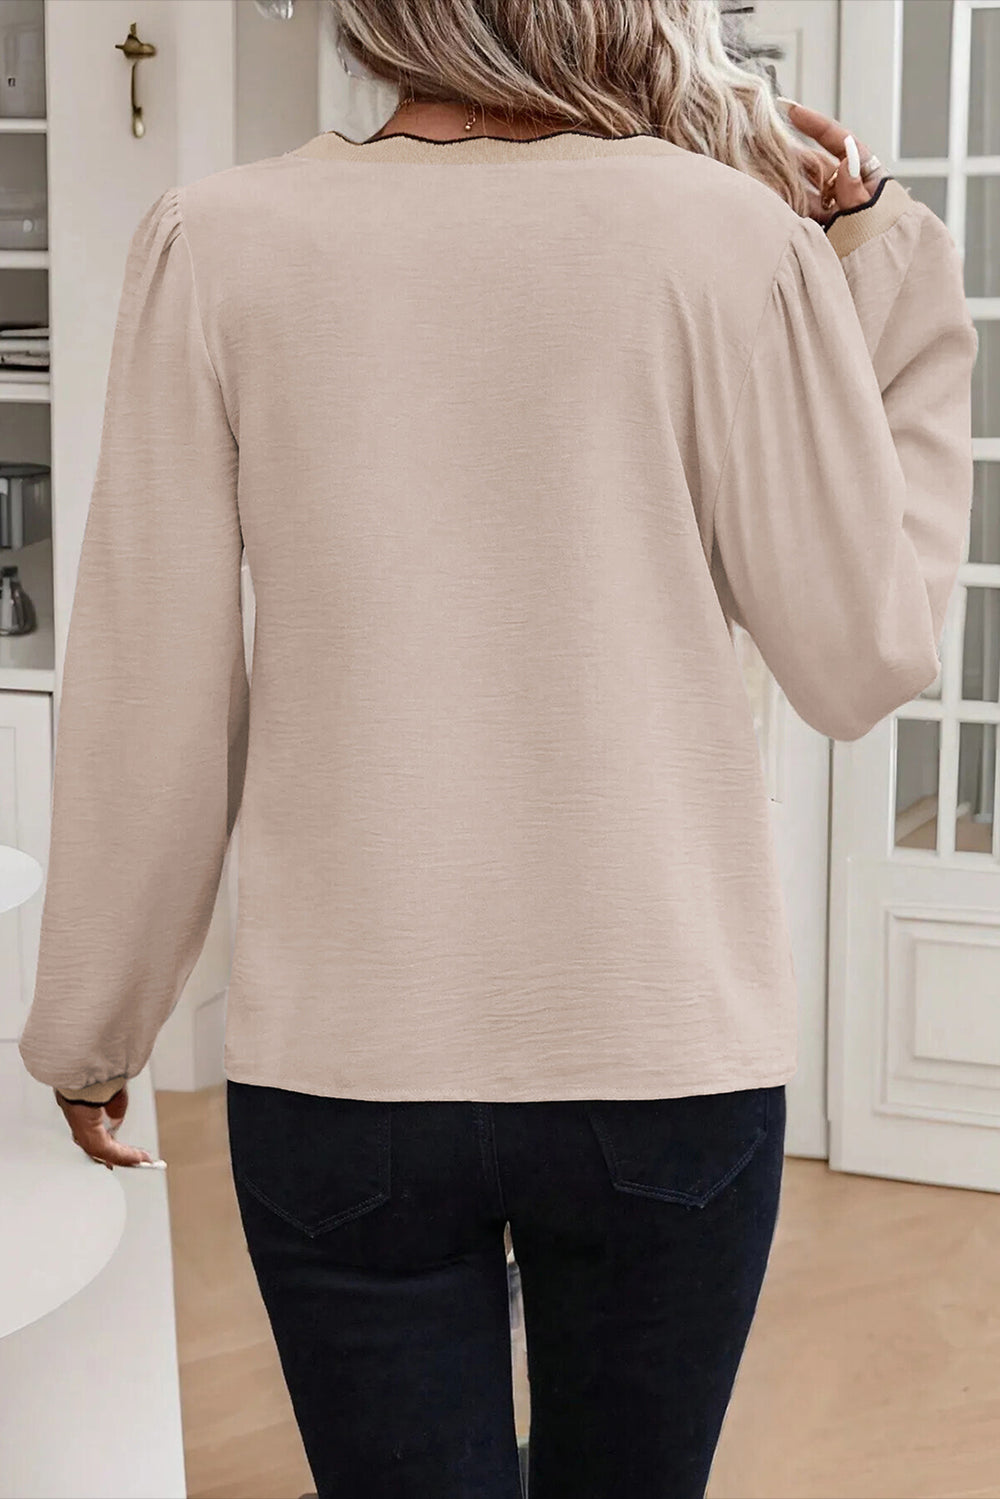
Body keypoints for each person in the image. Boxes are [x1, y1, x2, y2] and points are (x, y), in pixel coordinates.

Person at [18, 2, 977, 1496]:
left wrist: (99, 1017)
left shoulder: (218, 242)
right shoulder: (732, 239)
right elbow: (863, 659)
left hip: (345, 1067)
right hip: (663, 1053)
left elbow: (157, 686)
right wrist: (886, 266)